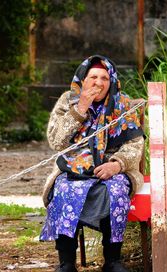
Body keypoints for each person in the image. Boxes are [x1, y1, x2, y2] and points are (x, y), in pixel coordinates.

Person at [39, 55, 145, 272]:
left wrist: (116, 165)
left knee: (115, 191)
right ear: (83, 79)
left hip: (112, 170)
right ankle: (66, 263)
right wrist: (80, 108)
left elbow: (135, 145)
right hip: (72, 170)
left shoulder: (122, 104)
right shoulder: (67, 101)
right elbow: (56, 141)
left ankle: (113, 260)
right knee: (65, 190)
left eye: (104, 78)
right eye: (93, 77)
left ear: (112, 81)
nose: (98, 82)